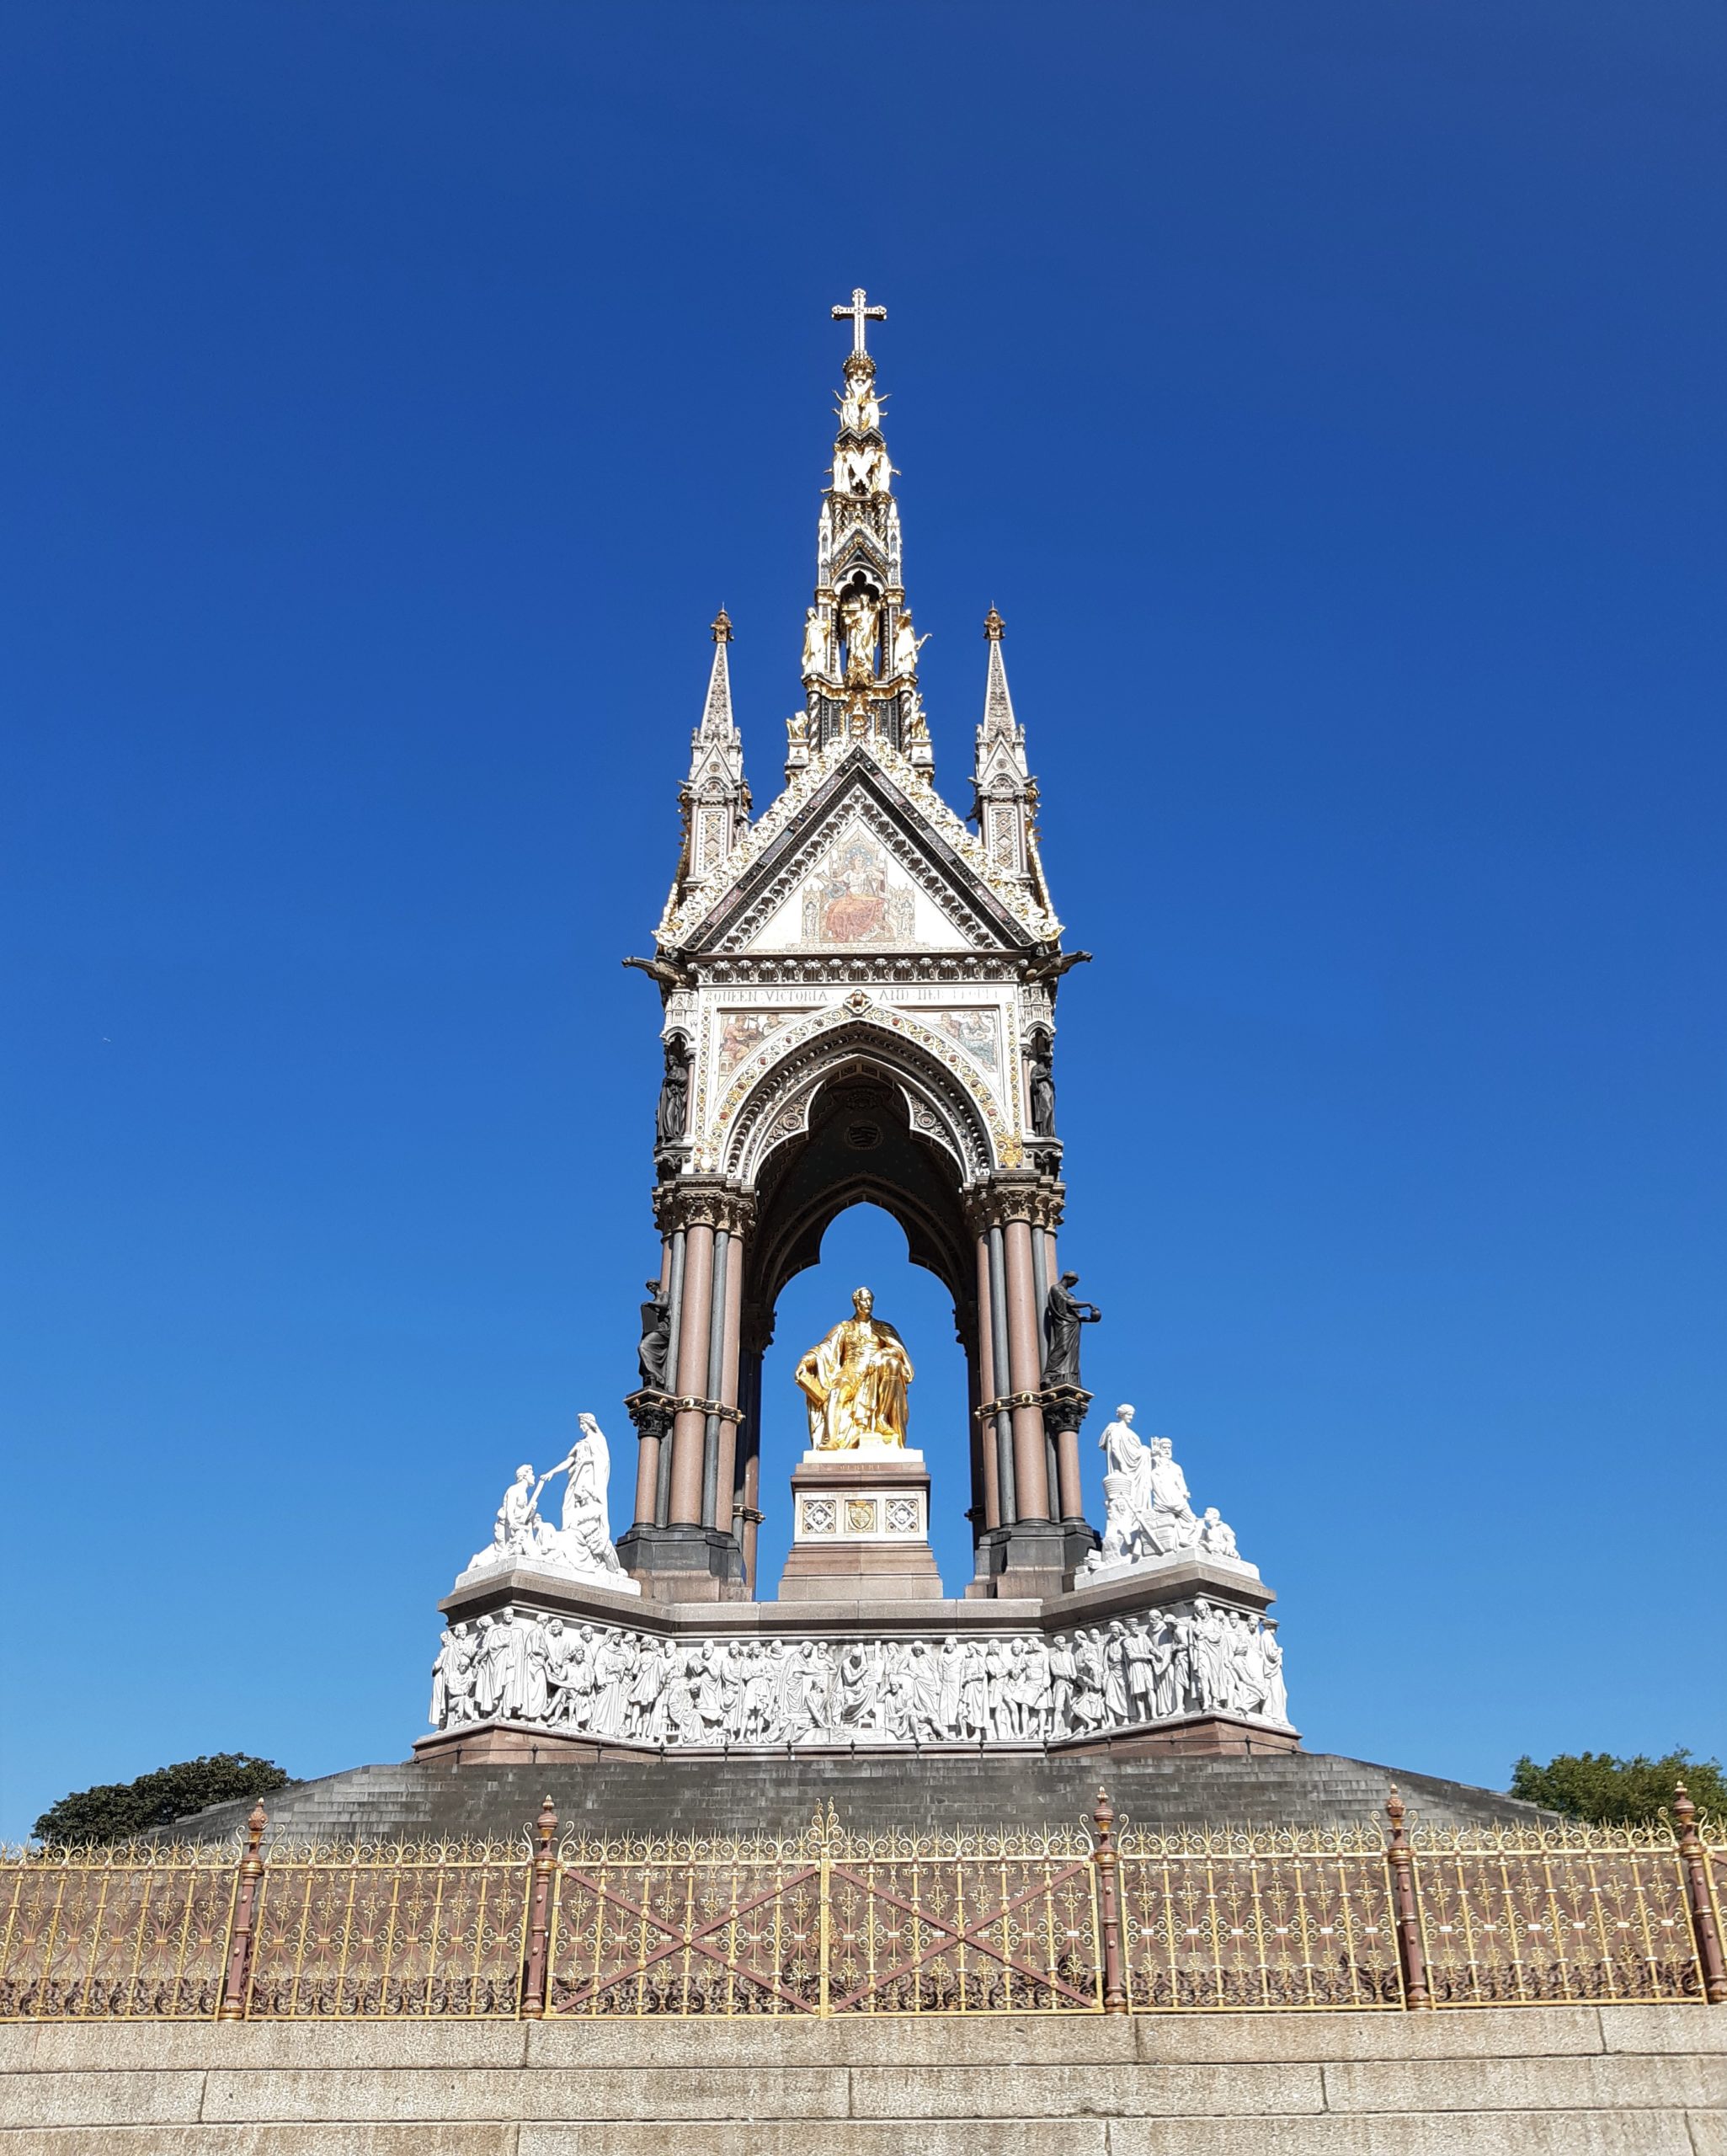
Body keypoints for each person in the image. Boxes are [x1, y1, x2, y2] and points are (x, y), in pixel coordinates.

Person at [795, 1286, 914, 1449]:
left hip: (875, 1370)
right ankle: (831, 1440)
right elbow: (824, 1348)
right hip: (850, 1371)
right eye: (864, 1299)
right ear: (856, 1302)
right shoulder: (844, 1328)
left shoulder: (883, 1328)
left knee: (893, 1364)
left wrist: (882, 1354)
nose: (868, 1303)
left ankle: (882, 1418)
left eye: (870, 1299)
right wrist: (805, 1362)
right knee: (835, 1392)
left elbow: (898, 1350)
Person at [1042, 1272, 1101, 1388]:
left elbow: (1077, 1315)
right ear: (1068, 1279)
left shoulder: (1071, 1294)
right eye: (1074, 1282)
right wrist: (1088, 1304)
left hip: (1074, 1325)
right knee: (1062, 1348)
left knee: (1071, 1354)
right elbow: (1070, 1303)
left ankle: (1066, 1377)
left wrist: (1092, 1319)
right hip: (1063, 1324)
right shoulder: (1056, 1289)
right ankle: (1048, 1375)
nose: (1074, 1285)